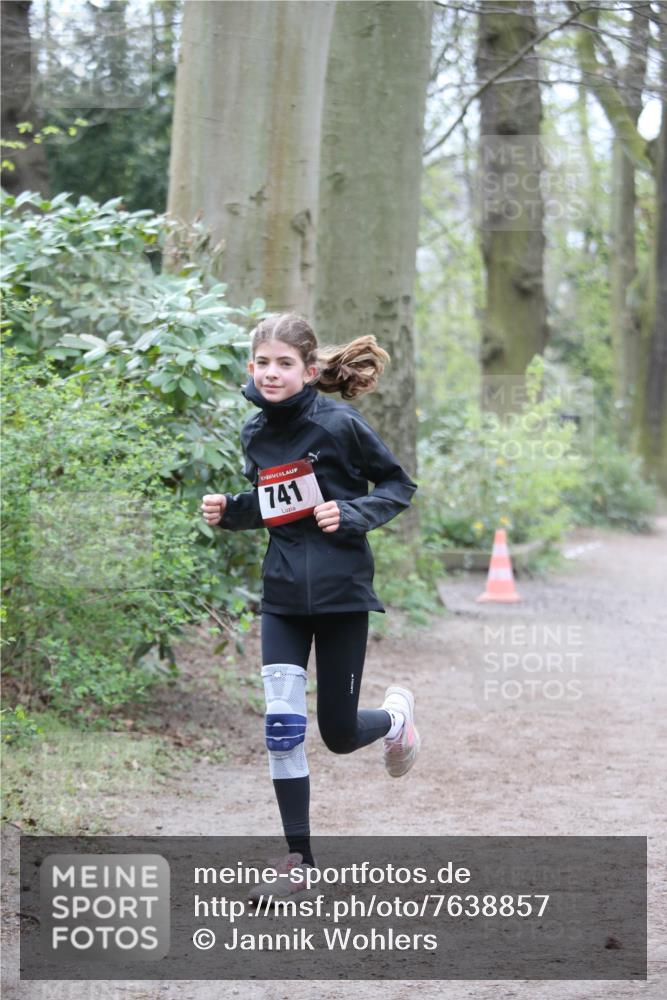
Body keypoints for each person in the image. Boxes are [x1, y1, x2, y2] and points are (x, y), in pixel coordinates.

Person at [201, 312, 420, 900]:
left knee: (339, 734)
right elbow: (276, 506)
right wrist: (233, 510)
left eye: (285, 363)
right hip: (281, 599)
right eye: (263, 363)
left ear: (310, 369)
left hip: (341, 593)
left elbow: (398, 485)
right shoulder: (254, 433)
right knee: (282, 725)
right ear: (252, 368)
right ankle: (298, 861)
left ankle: (396, 720)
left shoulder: (341, 423)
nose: (272, 373)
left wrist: (349, 515)